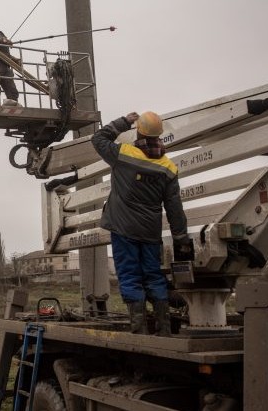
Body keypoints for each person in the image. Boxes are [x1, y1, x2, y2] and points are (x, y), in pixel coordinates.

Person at [91, 111, 193, 336]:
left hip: (123, 228)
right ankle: (164, 328)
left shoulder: (123, 155)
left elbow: (98, 139)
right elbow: (175, 208)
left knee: (129, 276)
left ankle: (139, 330)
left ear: (139, 131)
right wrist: (180, 238)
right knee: (153, 275)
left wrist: (124, 121)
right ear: (159, 135)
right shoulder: (168, 168)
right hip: (150, 232)